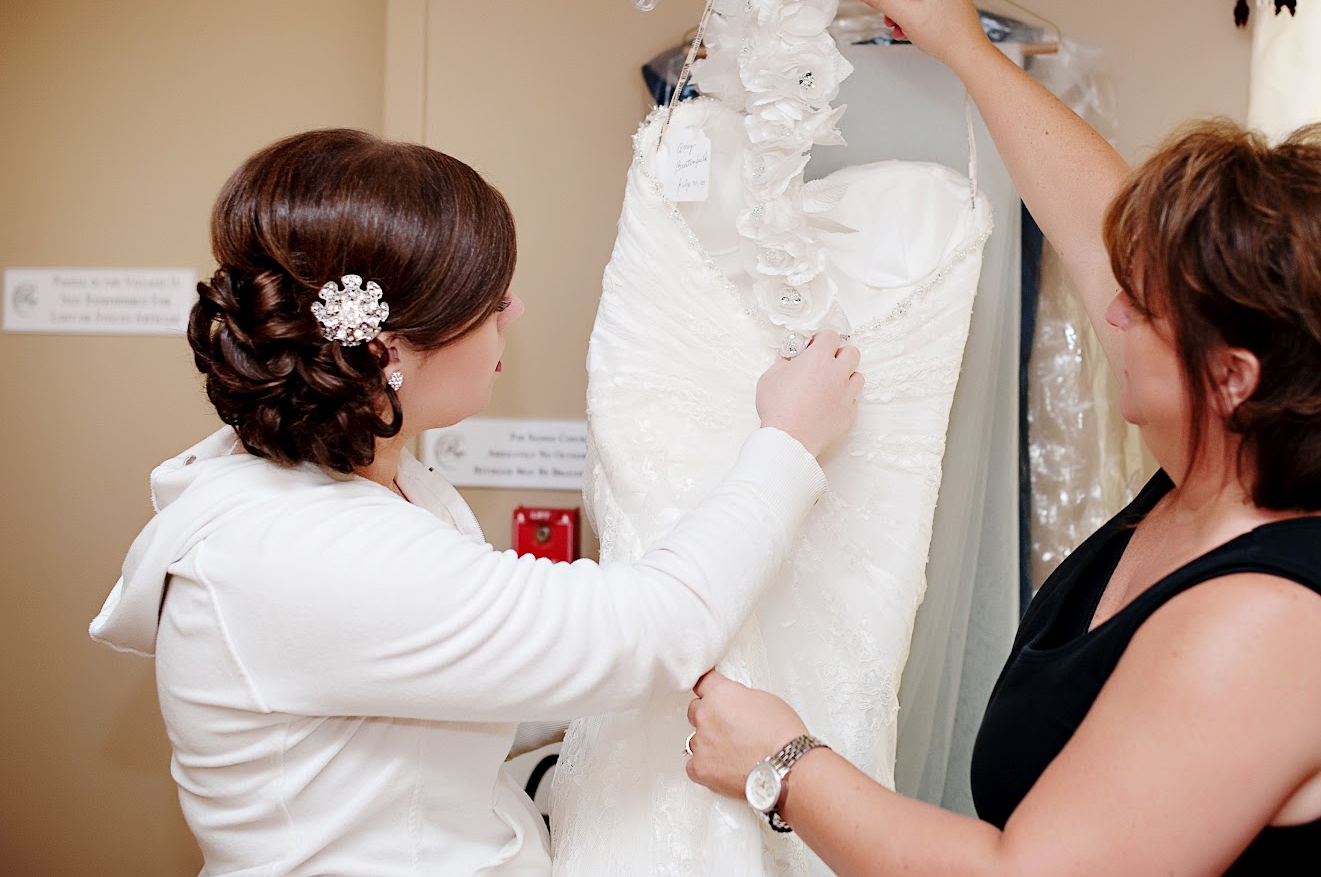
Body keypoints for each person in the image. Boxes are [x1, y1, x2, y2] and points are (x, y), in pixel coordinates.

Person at [682, 0, 1321, 876]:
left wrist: (783, 765)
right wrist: (966, 49)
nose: (1112, 312)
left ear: (1233, 377)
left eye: (1144, 308)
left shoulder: (1272, 628)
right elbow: (1101, 233)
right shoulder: (1250, 458)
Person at [88, 128, 863, 876]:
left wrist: (613, 694)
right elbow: (648, 627)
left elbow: (454, 679)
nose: (513, 310)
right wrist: (788, 441)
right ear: (385, 349)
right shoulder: (308, 551)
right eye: (487, 298)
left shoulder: (370, 481)